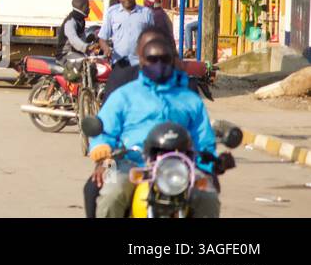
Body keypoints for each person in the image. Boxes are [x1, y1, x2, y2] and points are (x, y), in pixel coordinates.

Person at [88, 29, 219, 218]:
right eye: (152, 59)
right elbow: (104, 127)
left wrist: (208, 168)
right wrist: (101, 146)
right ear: (142, 61)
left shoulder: (190, 99)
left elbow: (203, 137)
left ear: (172, 61)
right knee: (112, 195)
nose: (159, 64)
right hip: (132, 164)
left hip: (179, 168)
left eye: (164, 59)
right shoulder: (124, 95)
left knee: (208, 197)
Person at [100, 0, 158, 98]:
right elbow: (102, 38)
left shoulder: (146, 13)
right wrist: (106, 49)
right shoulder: (112, 13)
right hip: (120, 64)